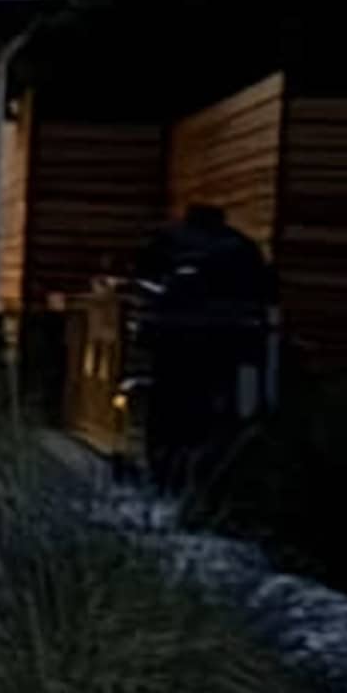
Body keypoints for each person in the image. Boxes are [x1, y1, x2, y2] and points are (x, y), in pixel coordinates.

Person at [125, 201, 278, 495]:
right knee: (214, 411)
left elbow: (142, 281)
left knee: (168, 409)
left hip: (173, 342)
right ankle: (208, 474)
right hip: (226, 344)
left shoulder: (167, 241)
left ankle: (165, 475)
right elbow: (263, 290)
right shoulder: (241, 246)